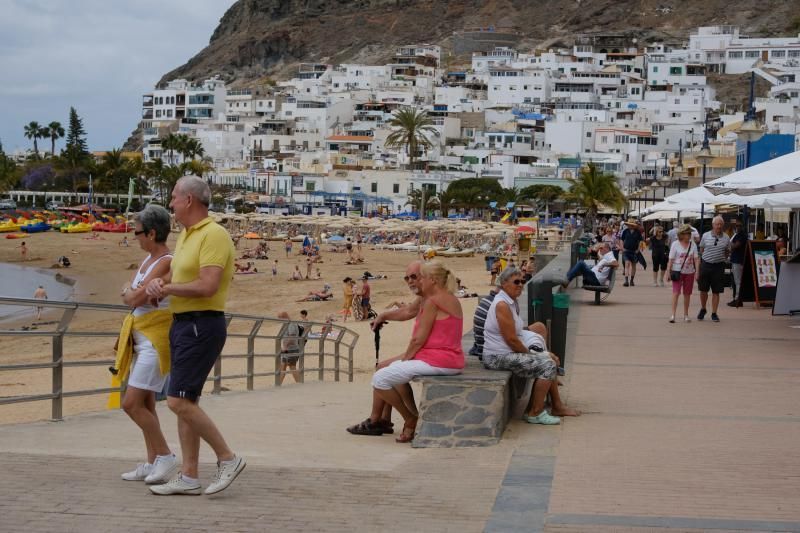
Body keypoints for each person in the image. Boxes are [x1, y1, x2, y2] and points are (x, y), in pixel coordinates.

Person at [145, 176, 245, 496]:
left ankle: (227, 458)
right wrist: (157, 289)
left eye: (173, 197)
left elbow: (208, 286)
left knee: (176, 400)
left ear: (189, 200)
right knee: (186, 399)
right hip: (183, 323)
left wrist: (169, 287)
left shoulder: (214, 234)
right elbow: (177, 276)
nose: (170, 202)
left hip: (202, 324)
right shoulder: (187, 235)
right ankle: (189, 476)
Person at [363, 261, 465, 443]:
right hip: (447, 358)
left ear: (432, 280)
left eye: (420, 277)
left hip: (439, 359)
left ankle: (410, 419)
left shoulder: (433, 301)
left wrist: (407, 359)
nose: (417, 282)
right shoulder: (445, 298)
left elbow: (418, 339)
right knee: (392, 372)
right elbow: (410, 313)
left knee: (380, 378)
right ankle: (403, 419)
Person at [115, 204, 179, 485]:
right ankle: (152, 460)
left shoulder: (165, 261)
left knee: (130, 404)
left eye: (138, 232)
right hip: (141, 338)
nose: (135, 236)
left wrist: (129, 290)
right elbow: (134, 298)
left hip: (154, 342)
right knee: (146, 403)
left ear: (152, 233)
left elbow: (133, 299)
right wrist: (132, 292)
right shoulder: (148, 261)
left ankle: (165, 455)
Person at [482, 267, 579, 425]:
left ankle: (550, 405)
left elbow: (516, 333)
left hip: (505, 352)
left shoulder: (510, 301)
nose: (520, 285)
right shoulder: (502, 305)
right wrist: (539, 355)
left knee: (545, 349)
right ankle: (535, 413)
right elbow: (512, 341)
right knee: (548, 364)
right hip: (497, 357)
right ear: (504, 284)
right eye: (516, 282)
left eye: (523, 281)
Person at [346, 261, 424, 437]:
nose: (410, 281)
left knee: (383, 369)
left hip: (429, 352)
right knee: (384, 368)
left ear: (426, 276)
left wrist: (407, 357)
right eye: (407, 278)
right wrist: (382, 316)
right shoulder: (426, 296)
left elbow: (412, 319)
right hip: (427, 350)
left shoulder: (431, 297)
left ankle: (379, 419)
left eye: (414, 277)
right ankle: (384, 418)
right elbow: (409, 311)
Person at [696, 216, 730, 323]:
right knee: (703, 290)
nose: (719, 226)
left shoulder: (726, 237)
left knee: (716, 291)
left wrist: (722, 259)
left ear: (723, 225)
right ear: (713, 225)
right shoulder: (705, 236)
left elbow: (727, 251)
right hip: (706, 265)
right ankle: (703, 308)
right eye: (717, 224)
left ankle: (714, 313)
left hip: (719, 266)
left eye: (720, 224)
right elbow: (701, 249)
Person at [667, 224, 700, 323]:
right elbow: (671, 259)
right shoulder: (675, 244)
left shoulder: (692, 244)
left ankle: (686, 314)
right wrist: (668, 272)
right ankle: (673, 315)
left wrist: (697, 272)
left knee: (687, 294)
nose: (689, 235)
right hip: (677, 272)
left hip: (689, 272)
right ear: (682, 234)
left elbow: (696, 259)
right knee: (676, 293)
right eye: (687, 233)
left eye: (690, 233)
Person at [277, 311, 303, 385]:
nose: (279, 320)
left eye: (280, 318)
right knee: (283, 367)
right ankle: (278, 384)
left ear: (284, 317)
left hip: (292, 349)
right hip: (288, 349)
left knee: (292, 367)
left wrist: (285, 346)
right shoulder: (287, 324)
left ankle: (300, 383)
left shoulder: (291, 324)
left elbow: (292, 336)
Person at [728, 221, 748, 307]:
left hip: (738, 260)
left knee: (738, 281)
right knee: (735, 281)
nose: (737, 227)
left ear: (742, 226)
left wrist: (728, 243)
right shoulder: (736, 234)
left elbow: (736, 245)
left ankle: (738, 299)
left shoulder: (742, 235)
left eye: (739, 225)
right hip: (735, 259)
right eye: (736, 226)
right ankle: (735, 298)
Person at [619, 218, 643, 287]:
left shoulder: (637, 232)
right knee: (627, 264)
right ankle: (626, 281)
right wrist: (622, 248)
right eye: (629, 225)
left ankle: (632, 280)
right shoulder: (625, 231)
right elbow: (621, 239)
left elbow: (640, 241)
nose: (630, 226)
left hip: (634, 251)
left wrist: (638, 249)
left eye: (631, 225)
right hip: (626, 250)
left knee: (633, 265)